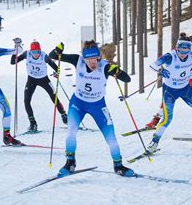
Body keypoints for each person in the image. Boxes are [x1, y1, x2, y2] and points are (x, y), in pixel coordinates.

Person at [49, 40, 134, 177]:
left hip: (98, 106)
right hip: (78, 104)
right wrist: (57, 51)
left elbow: (127, 79)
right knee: (70, 132)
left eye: (95, 59)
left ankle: (118, 165)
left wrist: (117, 71)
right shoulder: (78, 60)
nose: (92, 63)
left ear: (99, 57)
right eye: (89, 60)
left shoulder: (105, 67)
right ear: (84, 58)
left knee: (111, 137)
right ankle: (70, 162)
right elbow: (53, 56)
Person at [10, 40, 67, 132]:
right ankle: (33, 123)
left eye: (37, 52)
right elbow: (13, 62)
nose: (35, 54)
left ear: (40, 51)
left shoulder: (44, 56)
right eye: (33, 52)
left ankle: (64, 115)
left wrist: (57, 73)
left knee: (53, 97)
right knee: (26, 101)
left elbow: (56, 68)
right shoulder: (26, 54)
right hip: (31, 80)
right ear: (30, 51)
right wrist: (15, 51)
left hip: (44, 79)